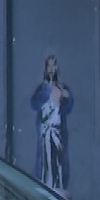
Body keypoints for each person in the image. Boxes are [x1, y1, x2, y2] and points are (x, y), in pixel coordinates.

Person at [30, 53, 72, 192]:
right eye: (49, 65)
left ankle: (59, 187)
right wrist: (48, 92)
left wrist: (64, 96)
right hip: (45, 130)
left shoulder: (62, 87)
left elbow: (68, 107)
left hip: (58, 130)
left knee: (59, 162)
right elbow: (35, 104)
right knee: (46, 162)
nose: (51, 69)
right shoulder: (42, 89)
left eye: (54, 65)